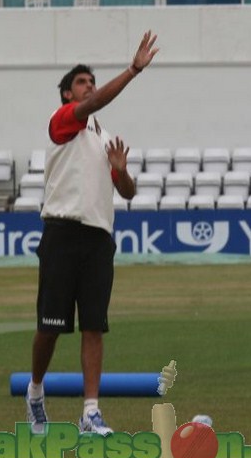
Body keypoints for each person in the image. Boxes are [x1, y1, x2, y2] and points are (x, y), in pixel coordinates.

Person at [26, 30, 159, 437]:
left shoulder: (102, 138)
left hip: (99, 237)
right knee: (49, 328)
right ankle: (35, 392)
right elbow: (97, 103)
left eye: (90, 81)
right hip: (63, 233)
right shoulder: (62, 121)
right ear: (68, 95)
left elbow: (129, 192)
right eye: (81, 83)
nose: (90, 87)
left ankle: (90, 412)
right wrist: (134, 70)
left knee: (94, 326)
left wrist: (120, 170)